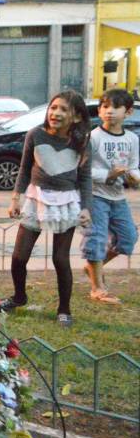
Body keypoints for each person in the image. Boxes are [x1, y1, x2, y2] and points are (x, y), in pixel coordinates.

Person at [4, 90, 92, 327]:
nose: (56, 113)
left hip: (66, 202)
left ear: (76, 117)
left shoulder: (81, 140)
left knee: (60, 259)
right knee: (18, 257)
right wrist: (15, 200)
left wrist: (86, 208)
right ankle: (19, 297)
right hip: (36, 198)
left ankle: (64, 309)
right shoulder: (35, 134)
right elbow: (24, 170)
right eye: (53, 107)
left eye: (64, 109)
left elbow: (85, 177)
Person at [83, 88, 139, 305]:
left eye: (116, 107)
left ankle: (93, 267)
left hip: (118, 197)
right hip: (95, 197)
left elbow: (134, 166)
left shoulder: (132, 139)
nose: (109, 111)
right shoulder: (93, 138)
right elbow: (82, 171)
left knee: (128, 239)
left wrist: (134, 177)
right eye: (105, 107)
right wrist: (107, 174)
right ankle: (98, 288)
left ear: (128, 112)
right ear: (99, 110)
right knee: (95, 239)